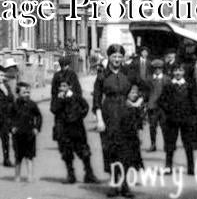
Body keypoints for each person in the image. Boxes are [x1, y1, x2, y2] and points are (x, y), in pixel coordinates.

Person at [93, 44, 139, 189]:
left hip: (126, 114)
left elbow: (144, 87)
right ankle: (114, 182)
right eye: (114, 56)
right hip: (109, 114)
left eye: (120, 57)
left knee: (126, 149)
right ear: (109, 57)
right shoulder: (102, 76)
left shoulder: (129, 73)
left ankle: (124, 184)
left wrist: (137, 102)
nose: (117, 59)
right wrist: (99, 119)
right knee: (111, 149)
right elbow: (97, 100)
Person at [52, 76, 98, 185]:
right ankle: (70, 175)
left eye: (64, 86)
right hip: (63, 129)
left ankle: (89, 174)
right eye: (60, 86)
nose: (62, 88)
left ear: (69, 87)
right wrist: (59, 100)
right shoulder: (57, 98)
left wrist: (79, 116)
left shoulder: (76, 97)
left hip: (77, 128)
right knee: (66, 152)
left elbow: (85, 106)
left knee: (84, 152)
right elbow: (53, 109)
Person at [159, 63, 197, 178]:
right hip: (172, 119)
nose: (178, 73)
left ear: (183, 72)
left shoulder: (189, 86)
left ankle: (191, 167)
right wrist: (169, 110)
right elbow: (162, 101)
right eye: (175, 71)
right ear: (172, 72)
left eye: (180, 70)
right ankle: (168, 166)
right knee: (170, 144)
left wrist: (191, 116)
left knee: (188, 144)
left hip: (186, 120)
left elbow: (193, 103)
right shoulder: (168, 85)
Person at [8, 82, 42, 183]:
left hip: (29, 134)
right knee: (18, 156)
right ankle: (17, 175)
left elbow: (38, 116)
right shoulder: (14, 105)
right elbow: (9, 117)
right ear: (18, 93)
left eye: (28, 92)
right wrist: (11, 127)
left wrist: (36, 128)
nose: (27, 94)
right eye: (24, 92)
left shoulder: (32, 104)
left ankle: (30, 175)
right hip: (18, 134)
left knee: (30, 156)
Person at [145, 60, 166, 152]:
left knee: (165, 127)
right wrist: (146, 104)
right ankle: (153, 144)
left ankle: (167, 145)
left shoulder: (166, 79)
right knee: (152, 126)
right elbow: (145, 92)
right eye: (155, 68)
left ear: (162, 69)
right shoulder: (149, 79)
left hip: (164, 108)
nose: (157, 70)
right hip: (152, 107)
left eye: (159, 68)